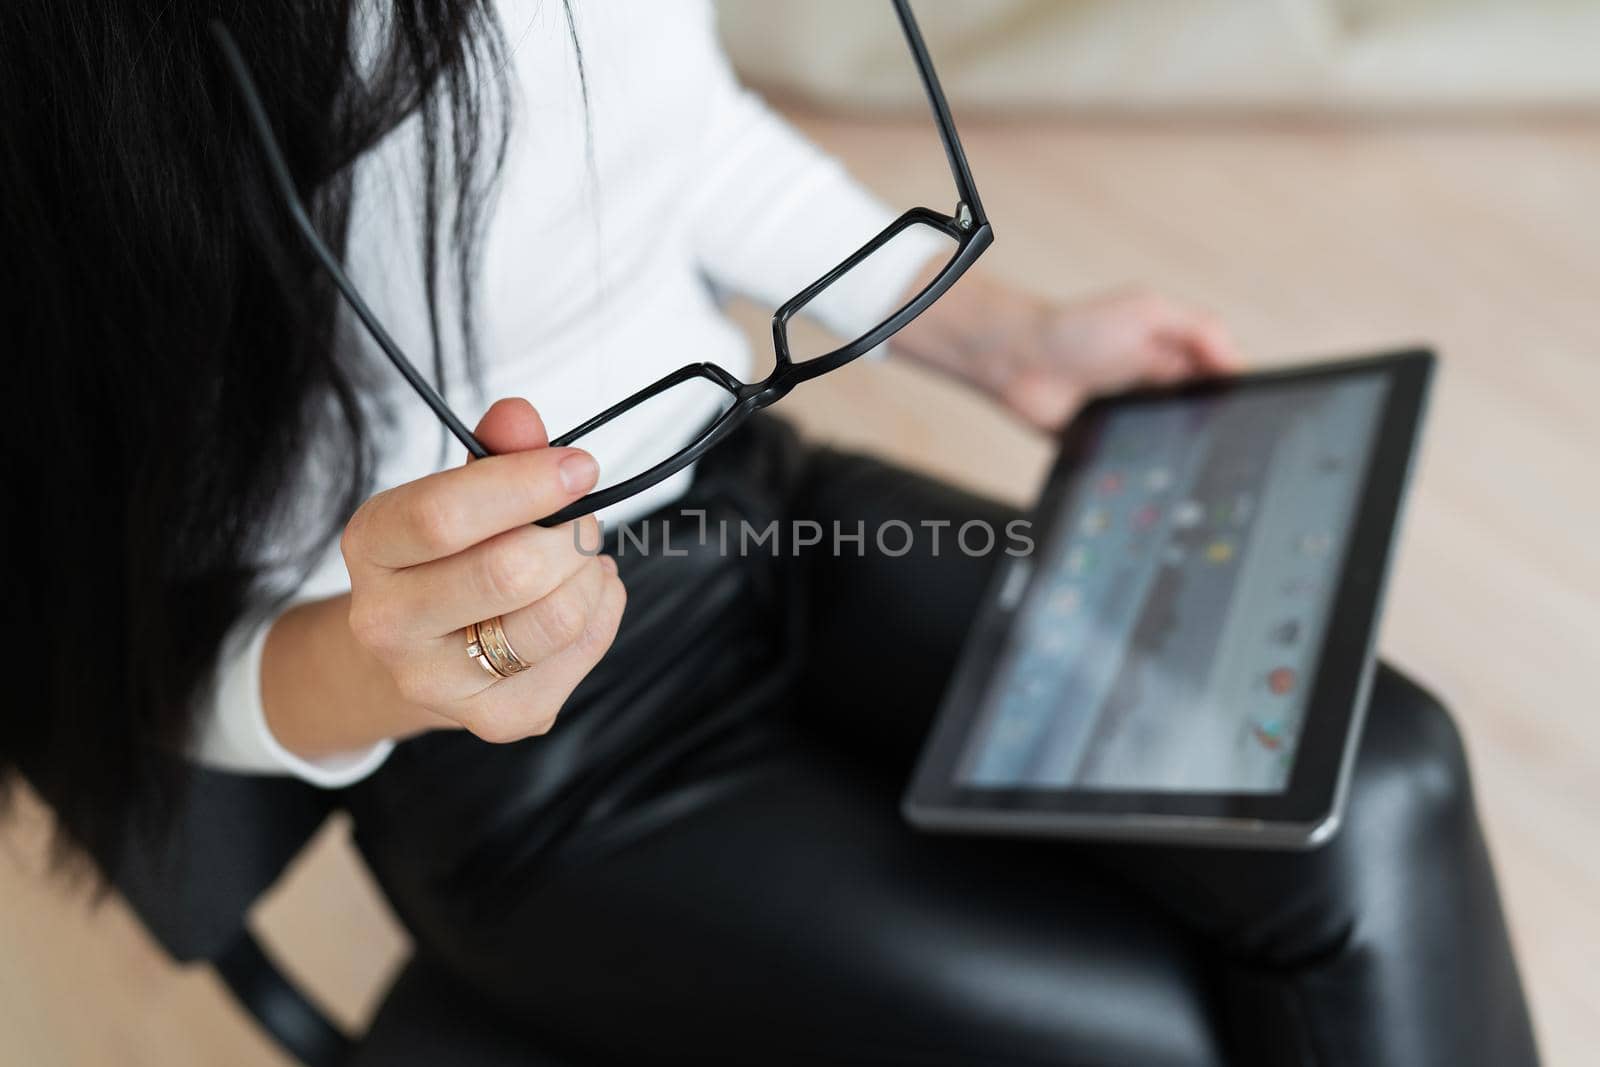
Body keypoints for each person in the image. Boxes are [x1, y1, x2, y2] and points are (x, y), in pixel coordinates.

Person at [1, 2, 1537, 1064]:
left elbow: (685, 133)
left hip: (766, 510)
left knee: (1379, 779)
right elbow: (112, 654)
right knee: (1191, 1029)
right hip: (545, 768)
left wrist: (1002, 341)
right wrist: (396, 659)